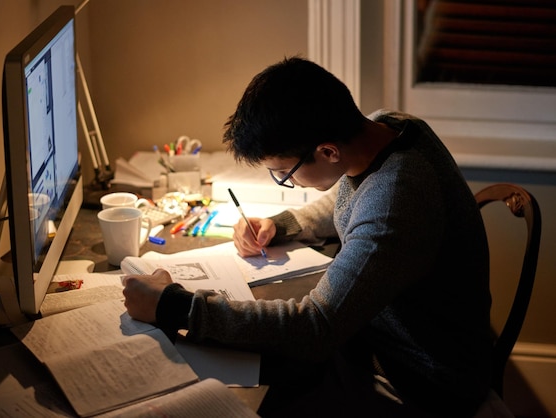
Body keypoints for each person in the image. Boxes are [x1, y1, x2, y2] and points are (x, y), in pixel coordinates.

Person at [123, 57, 492, 417]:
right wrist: (282, 224)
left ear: (327, 151)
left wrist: (175, 306)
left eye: (284, 173)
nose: (286, 182)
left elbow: (316, 327)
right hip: (379, 340)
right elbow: (351, 194)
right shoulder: (385, 127)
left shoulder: (395, 201)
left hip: (417, 381)